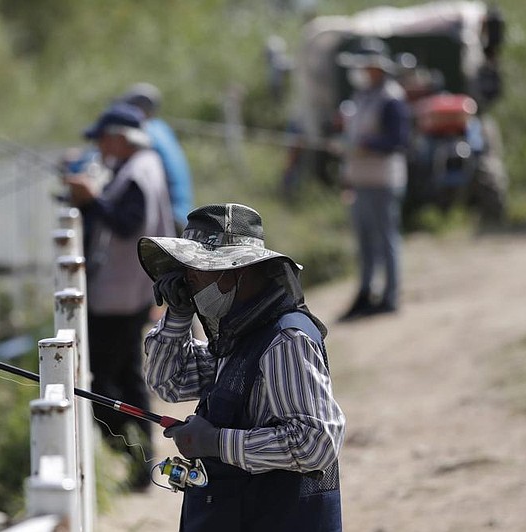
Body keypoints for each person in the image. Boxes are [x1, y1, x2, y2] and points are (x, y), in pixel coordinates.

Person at [137, 203, 345, 531]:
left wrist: (218, 443)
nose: (188, 280)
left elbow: (317, 442)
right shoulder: (237, 336)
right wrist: (177, 315)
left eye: (198, 268)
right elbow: (168, 382)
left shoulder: (285, 340)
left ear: (238, 271)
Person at [65, 101, 176, 490]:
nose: (99, 147)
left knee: (105, 384)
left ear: (118, 138)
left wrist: (91, 200)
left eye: (102, 139)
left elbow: (128, 224)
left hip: (118, 296)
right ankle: (140, 462)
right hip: (128, 292)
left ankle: (131, 458)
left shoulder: (136, 173)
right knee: (128, 377)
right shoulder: (143, 166)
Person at [336, 37, 412, 321]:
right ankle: (366, 292)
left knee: (386, 240)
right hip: (360, 180)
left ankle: (390, 296)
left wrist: (368, 145)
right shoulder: (362, 96)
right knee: (365, 242)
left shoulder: (392, 98)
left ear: (377, 68)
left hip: (383, 182)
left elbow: (399, 141)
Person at [121, 82, 194, 234]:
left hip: (170, 217)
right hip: (183, 213)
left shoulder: (145, 132)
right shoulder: (161, 127)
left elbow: (118, 154)